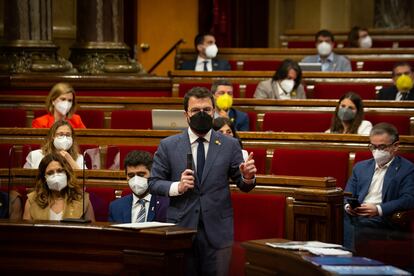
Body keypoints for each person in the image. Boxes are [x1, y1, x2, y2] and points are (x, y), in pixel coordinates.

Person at [149, 87, 257, 276]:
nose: (202, 114)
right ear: (186, 115)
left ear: (214, 111)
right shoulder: (168, 145)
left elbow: (242, 183)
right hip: (181, 230)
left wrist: (248, 177)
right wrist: (178, 187)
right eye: (195, 110)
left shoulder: (229, 144)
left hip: (217, 231)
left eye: (206, 110)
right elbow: (153, 182)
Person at [343, 123, 414, 250]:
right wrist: (349, 206)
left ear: (395, 146)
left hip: (383, 218)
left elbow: (408, 199)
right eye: (373, 147)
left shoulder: (407, 169)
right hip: (356, 214)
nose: (376, 151)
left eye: (381, 147)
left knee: (360, 225)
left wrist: (378, 209)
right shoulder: (360, 167)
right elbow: (347, 194)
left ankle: (349, 259)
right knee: (333, 219)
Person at [23, 153, 95, 221]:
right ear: (43, 178)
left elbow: (92, 232)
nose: (56, 176)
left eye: (60, 171)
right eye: (50, 173)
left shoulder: (82, 199)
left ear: (67, 173)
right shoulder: (32, 200)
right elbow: (26, 232)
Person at [108, 150, 169, 223]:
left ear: (152, 174)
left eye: (141, 175)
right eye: (131, 175)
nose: (136, 179)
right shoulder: (116, 207)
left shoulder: (166, 204)